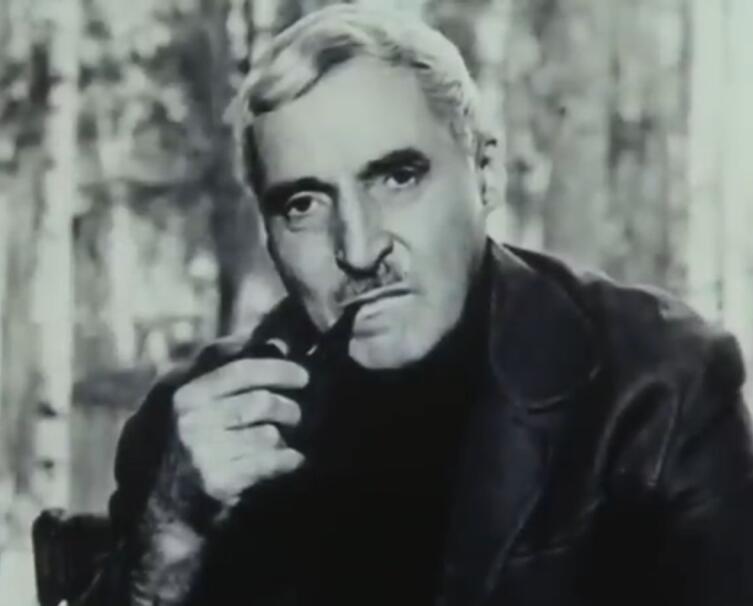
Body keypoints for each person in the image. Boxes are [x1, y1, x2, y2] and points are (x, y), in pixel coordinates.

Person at [73, 5, 753, 606]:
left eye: (397, 177)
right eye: (303, 204)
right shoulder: (191, 431)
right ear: (269, 235)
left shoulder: (659, 390)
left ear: (485, 174)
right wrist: (170, 541)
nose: (359, 248)